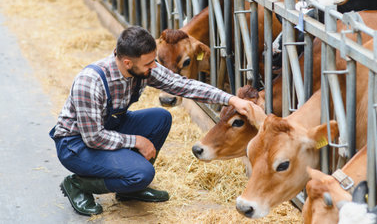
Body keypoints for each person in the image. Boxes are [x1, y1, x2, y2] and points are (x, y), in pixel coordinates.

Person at [50, 26, 253, 216]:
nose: (154, 67)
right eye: (149, 63)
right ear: (128, 62)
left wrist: (230, 99)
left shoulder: (142, 69)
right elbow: (93, 138)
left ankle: (129, 189)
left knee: (160, 118)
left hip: (108, 127)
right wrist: (137, 141)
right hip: (76, 144)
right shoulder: (90, 82)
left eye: (154, 60)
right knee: (143, 174)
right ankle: (78, 184)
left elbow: (182, 85)